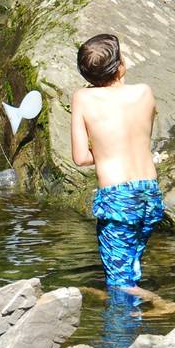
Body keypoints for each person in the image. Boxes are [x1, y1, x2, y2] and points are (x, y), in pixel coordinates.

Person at [70, 33, 166, 303]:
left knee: (119, 281)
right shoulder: (144, 92)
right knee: (130, 264)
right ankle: (137, 321)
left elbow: (80, 157)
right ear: (120, 65)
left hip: (118, 198)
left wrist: (103, 153)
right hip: (149, 193)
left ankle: (151, 310)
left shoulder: (83, 99)